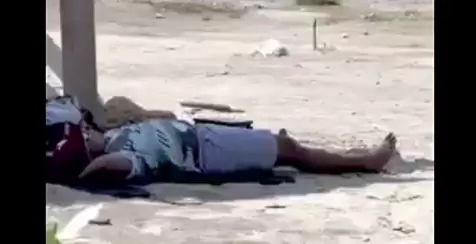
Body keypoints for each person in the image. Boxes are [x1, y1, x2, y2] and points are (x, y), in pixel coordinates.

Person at [77, 118, 397, 184]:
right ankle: (367, 162)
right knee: (290, 151)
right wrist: (80, 175)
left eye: (84, 128)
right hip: (208, 152)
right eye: (82, 136)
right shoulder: (128, 154)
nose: (87, 131)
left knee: (286, 146)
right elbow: (110, 166)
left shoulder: (116, 133)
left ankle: (353, 156)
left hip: (205, 135)